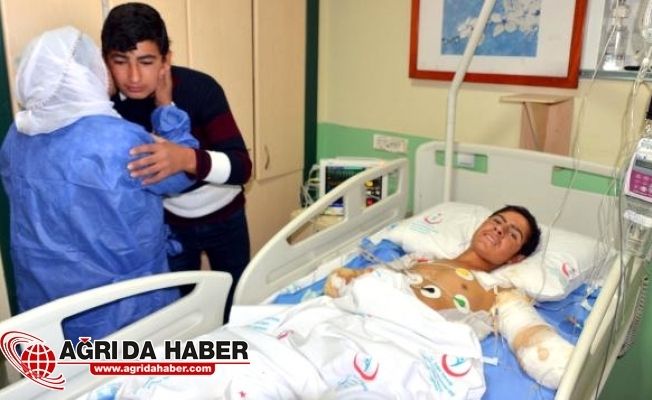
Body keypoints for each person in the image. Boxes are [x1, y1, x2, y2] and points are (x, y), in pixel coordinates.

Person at [0, 26, 199, 342]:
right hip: (123, 311)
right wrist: (166, 108)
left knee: (65, 374)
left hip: (47, 307)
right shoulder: (119, 140)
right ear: (85, 73)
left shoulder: (16, 137)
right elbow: (182, 173)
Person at [101, 2, 253, 321]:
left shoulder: (200, 88)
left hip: (225, 218)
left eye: (146, 62)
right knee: (181, 315)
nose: (133, 76)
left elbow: (241, 166)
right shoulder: (106, 106)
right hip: (170, 228)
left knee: (237, 306)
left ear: (165, 59)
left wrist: (186, 158)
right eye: (120, 62)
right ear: (106, 62)